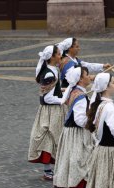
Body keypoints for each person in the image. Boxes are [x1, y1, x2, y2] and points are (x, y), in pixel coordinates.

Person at [53, 66, 94, 188]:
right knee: (80, 163)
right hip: (76, 133)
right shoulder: (81, 97)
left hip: (72, 132)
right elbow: (79, 120)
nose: (90, 77)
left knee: (81, 163)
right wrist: (94, 120)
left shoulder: (74, 91)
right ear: (81, 79)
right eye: (87, 75)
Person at [28, 45, 67, 180]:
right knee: (50, 137)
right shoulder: (50, 73)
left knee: (50, 137)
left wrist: (63, 90)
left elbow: (51, 91)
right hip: (52, 110)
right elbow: (48, 98)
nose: (60, 57)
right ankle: (50, 171)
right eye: (58, 54)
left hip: (51, 109)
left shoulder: (52, 69)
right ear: (52, 57)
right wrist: (64, 100)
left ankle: (50, 170)